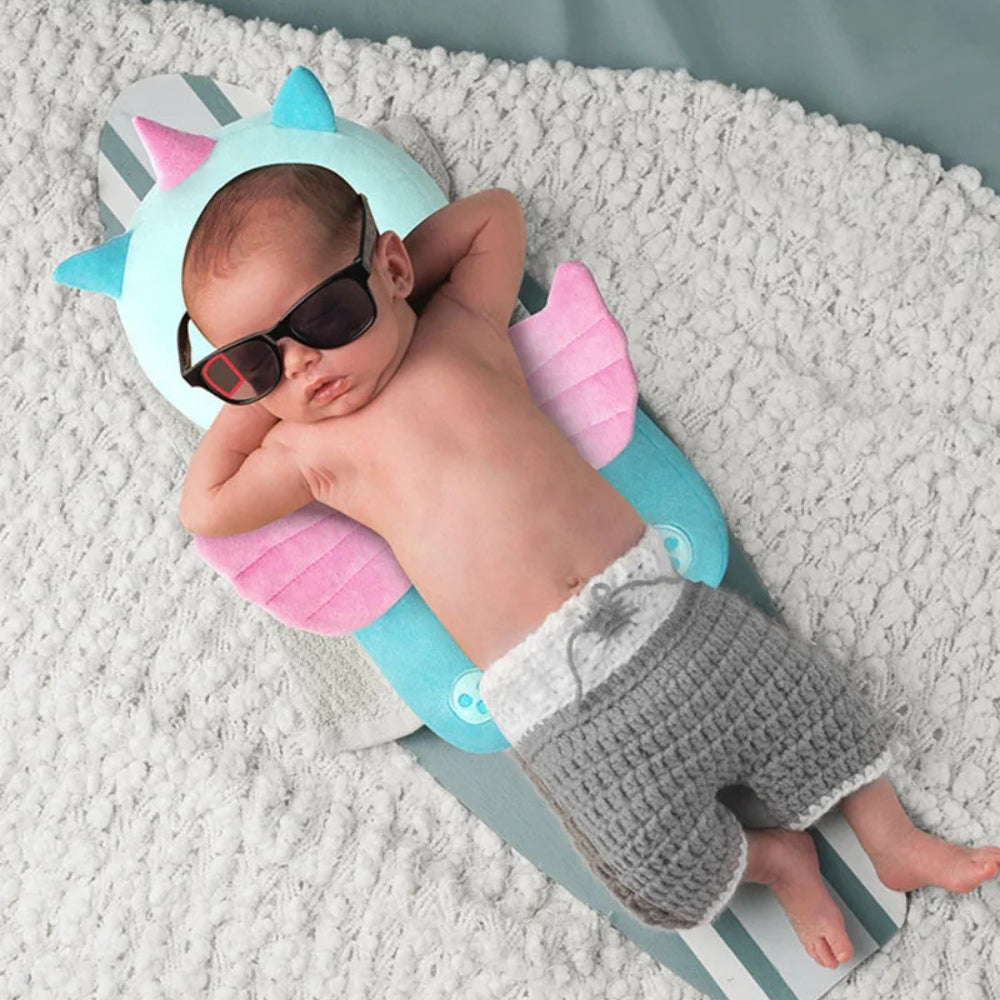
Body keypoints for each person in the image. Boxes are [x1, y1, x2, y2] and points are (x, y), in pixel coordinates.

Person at [178, 163, 1000, 969]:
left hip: (659, 607)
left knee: (808, 705)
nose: (300, 366)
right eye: (255, 363)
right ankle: (775, 860)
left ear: (390, 266)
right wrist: (251, 405)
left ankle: (892, 840)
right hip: (550, 700)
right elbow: (205, 505)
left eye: (325, 315)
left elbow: (492, 216)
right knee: (648, 866)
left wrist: (393, 288)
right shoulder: (311, 453)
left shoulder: (459, 326)